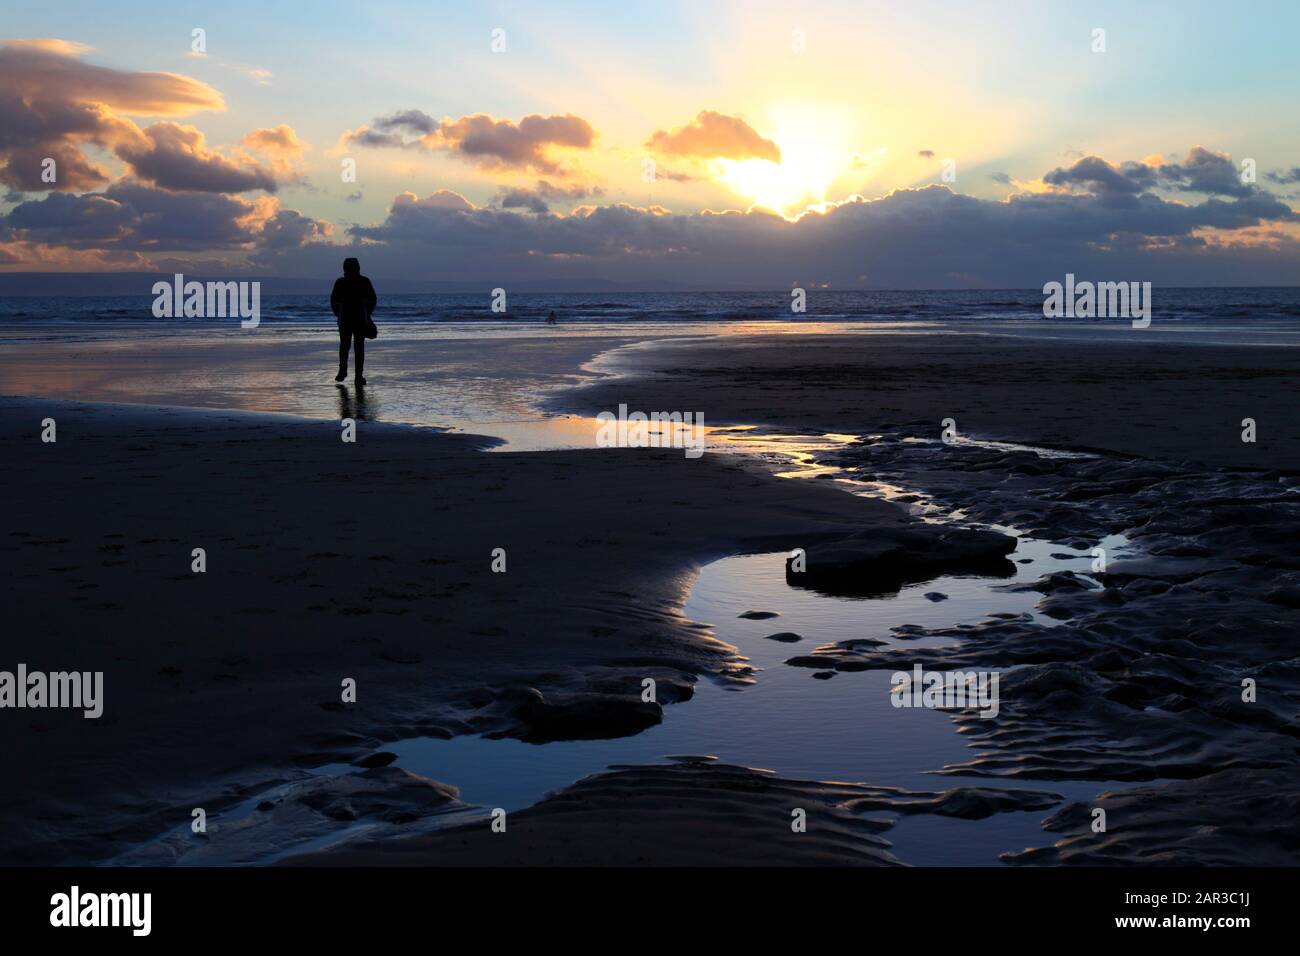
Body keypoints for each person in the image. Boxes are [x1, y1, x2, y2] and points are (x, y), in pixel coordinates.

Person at [330, 257, 376, 384]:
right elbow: (372, 300)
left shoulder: (340, 282)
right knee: (358, 347)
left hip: (345, 318)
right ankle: (358, 376)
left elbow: (333, 301)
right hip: (359, 318)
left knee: (345, 345)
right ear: (358, 267)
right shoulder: (364, 281)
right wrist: (367, 312)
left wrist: (338, 315)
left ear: (344, 268)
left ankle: (343, 371)